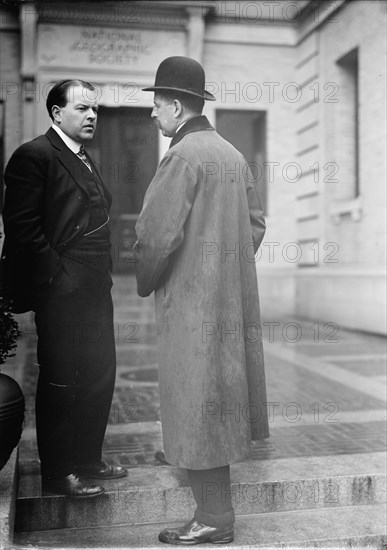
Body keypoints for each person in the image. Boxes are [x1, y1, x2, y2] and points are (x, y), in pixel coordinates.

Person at [134, 57, 269, 545]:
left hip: (190, 309)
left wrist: (149, 281)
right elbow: (255, 225)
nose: (152, 114)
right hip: (227, 304)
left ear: (174, 106)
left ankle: (213, 519)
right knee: (215, 405)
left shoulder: (182, 156)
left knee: (196, 406)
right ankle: (216, 514)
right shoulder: (231, 153)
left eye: (155, 105)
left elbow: (154, 237)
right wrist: (223, 272)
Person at [0, 79, 127, 498]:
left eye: (96, 109)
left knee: (98, 374)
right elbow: (21, 228)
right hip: (63, 288)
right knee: (63, 378)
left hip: (94, 286)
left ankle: (88, 458)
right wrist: (58, 278)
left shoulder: (84, 157)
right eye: (82, 109)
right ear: (56, 114)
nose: (92, 116)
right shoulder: (35, 155)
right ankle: (60, 470)